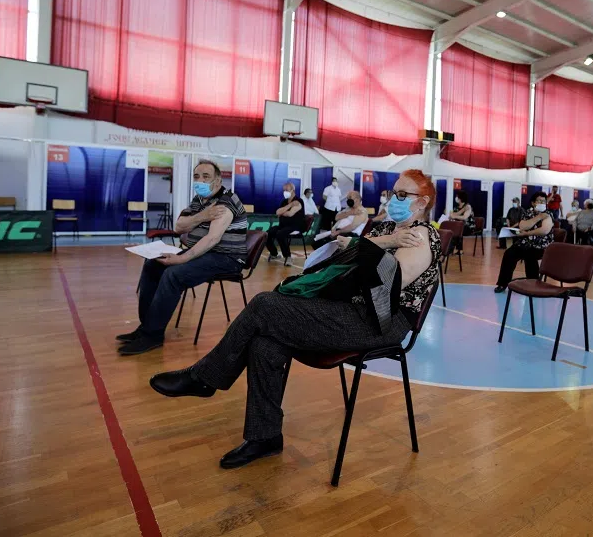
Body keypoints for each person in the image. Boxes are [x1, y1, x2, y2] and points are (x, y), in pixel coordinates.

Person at [148, 169, 441, 469]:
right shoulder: (389, 230)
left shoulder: (422, 236)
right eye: (394, 193)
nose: (395, 200)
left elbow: (386, 286)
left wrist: (361, 247)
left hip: (379, 321)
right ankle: (265, 437)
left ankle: (204, 378)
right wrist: (376, 244)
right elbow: (350, 258)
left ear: (423, 203)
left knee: (263, 305)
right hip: (350, 307)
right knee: (264, 342)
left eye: (403, 195)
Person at [117, 160, 248, 355]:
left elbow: (212, 239)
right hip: (201, 253)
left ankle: (153, 335)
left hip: (225, 258)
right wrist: (203, 215)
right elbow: (179, 226)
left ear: (218, 180)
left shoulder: (226, 201)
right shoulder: (199, 200)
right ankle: (146, 328)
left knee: (173, 274)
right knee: (153, 264)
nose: (200, 181)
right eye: (196, 177)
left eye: (206, 177)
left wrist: (182, 258)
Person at [494, 192, 554, 293]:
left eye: (544, 201)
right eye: (539, 201)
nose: (542, 203)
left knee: (530, 255)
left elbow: (544, 230)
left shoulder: (548, 214)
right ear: (533, 203)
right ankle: (502, 283)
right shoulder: (527, 212)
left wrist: (527, 232)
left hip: (541, 246)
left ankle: (533, 284)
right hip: (524, 243)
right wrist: (538, 218)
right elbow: (522, 226)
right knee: (509, 253)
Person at [266, 183, 305, 265]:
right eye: (284, 190)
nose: (284, 192)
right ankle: (274, 253)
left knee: (280, 234)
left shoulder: (298, 201)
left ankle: (288, 257)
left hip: (294, 226)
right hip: (283, 225)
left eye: (286, 190)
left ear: (292, 190)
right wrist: (290, 205)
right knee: (267, 233)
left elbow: (290, 214)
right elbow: (277, 212)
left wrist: (282, 212)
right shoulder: (284, 201)